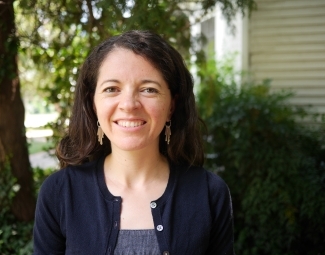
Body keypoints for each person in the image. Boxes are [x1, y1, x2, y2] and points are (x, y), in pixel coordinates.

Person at [33, 30, 234, 255]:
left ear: (171, 106)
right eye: (112, 89)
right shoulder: (60, 193)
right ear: (93, 104)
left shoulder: (209, 193)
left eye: (149, 89)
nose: (129, 104)